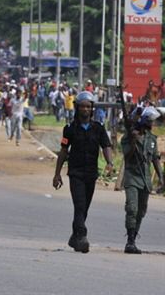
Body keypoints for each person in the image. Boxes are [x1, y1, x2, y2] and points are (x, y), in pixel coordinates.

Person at [53, 91, 113, 253]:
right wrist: (57, 173)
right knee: (79, 205)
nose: (85, 109)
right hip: (76, 173)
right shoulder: (70, 129)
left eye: (88, 107)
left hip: (91, 174)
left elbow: (106, 146)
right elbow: (63, 151)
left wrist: (109, 162)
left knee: (84, 207)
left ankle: (74, 236)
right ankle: (82, 236)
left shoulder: (98, 128)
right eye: (82, 107)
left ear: (92, 109)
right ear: (77, 108)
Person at [121, 106, 163, 254]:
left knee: (141, 211)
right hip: (132, 176)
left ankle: (134, 236)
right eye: (151, 121)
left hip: (145, 179)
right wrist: (133, 141)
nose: (153, 124)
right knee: (132, 208)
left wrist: (161, 178)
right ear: (145, 121)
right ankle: (130, 241)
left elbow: (155, 159)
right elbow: (127, 156)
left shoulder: (152, 139)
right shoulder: (129, 136)